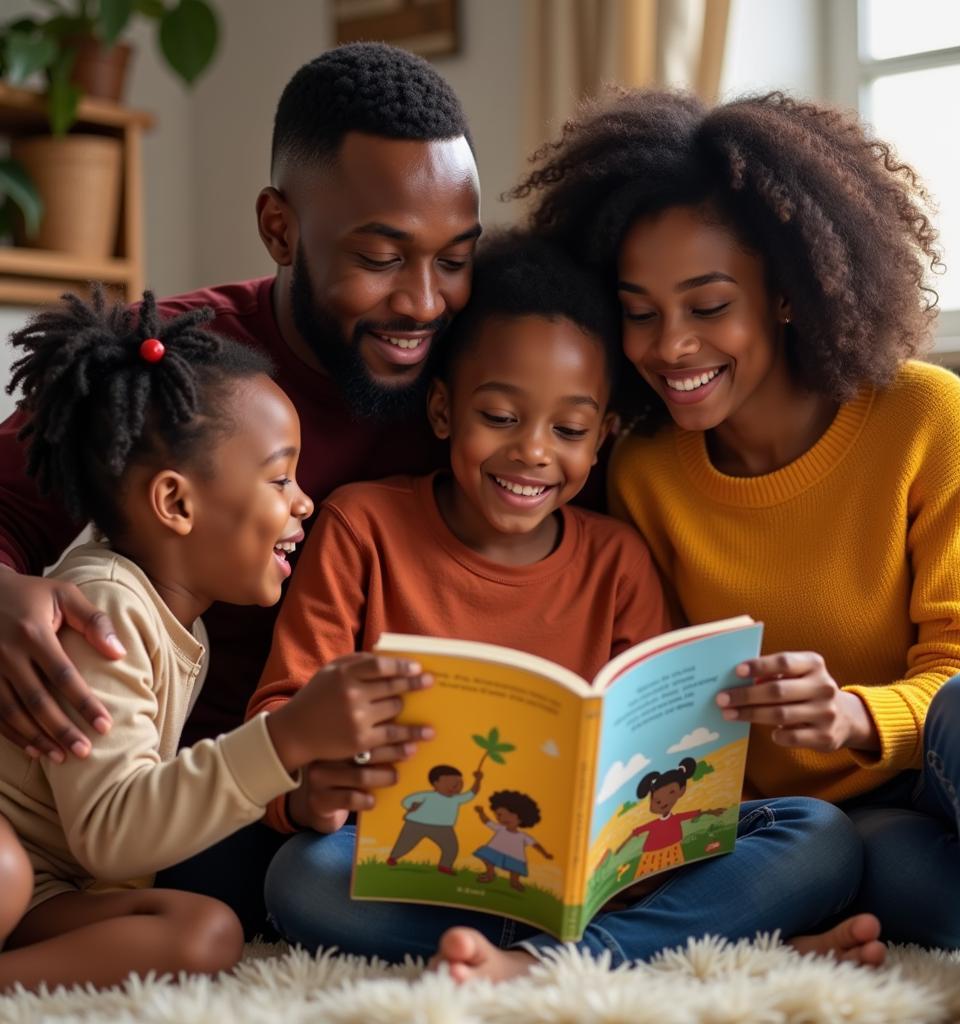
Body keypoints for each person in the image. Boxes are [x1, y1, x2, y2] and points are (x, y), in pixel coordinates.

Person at [508, 88, 960, 1020]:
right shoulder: (644, 469)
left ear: (788, 292)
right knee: (886, 877)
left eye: (709, 306)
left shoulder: (923, 416)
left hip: (951, 780)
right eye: (639, 312)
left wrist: (853, 718)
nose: (672, 347)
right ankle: (762, 922)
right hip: (817, 829)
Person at [252, 232, 883, 977]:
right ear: (444, 409)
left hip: (605, 875)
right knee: (302, 877)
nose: (534, 453)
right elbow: (278, 718)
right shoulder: (362, 526)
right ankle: (684, 951)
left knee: (821, 836)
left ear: (604, 436)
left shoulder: (616, 558)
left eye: (570, 430)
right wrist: (311, 795)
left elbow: (685, 756)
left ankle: (553, 960)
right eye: (501, 417)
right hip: (428, 861)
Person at [0, 42, 480, 933]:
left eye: (454, 259)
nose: (424, 302)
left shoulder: (474, 382)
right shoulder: (181, 373)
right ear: (280, 228)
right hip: (166, 788)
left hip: (330, 785)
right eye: (382, 257)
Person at [0, 288, 431, 990]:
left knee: (207, 930)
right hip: (24, 861)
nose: (304, 502)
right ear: (176, 503)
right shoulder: (105, 606)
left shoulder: (180, 621)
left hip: (53, 880)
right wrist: (285, 739)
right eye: (280, 477)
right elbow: (113, 834)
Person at [388, 765, 484, 873]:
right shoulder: (427, 796)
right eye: (451, 784)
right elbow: (406, 801)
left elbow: (472, 793)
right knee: (405, 843)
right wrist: (412, 807)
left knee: (451, 847)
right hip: (416, 824)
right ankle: (393, 857)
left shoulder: (456, 799)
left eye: (459, 784)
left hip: (443, 827)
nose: (456, 787)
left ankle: (445, 866)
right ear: (435, 784)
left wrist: (478, 780)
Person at [472, 790, 553, 890]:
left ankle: (514, 882)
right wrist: (481, 812)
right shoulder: (500, 828)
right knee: (487, 857)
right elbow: (486, 821)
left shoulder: (523, 836)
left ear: (521, 817)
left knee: (515, 871)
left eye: (509, 814)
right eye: (499, 815)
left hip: (515, 856)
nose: (502, 818)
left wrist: (545, 854)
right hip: (495, 851)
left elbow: (535, 845)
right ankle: (490, 873)